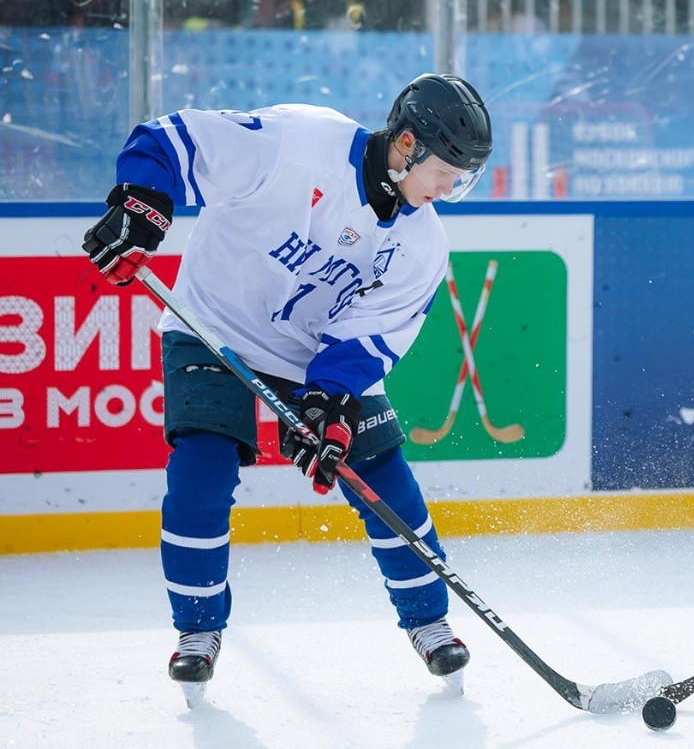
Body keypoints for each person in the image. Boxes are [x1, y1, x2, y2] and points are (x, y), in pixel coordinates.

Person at [79, 73, 493, 707]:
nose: (448, 190)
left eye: (462, 179)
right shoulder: (298, 142)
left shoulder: (422, 243)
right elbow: (173, 140)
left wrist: (330, 406)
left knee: (382, 472)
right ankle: (197, 633)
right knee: (201, 469)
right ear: (407, 143)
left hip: (310, 355)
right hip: (214, 326)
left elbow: (367, 340)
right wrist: (142, 206)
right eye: (447, 172)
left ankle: (429, 621)